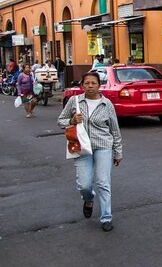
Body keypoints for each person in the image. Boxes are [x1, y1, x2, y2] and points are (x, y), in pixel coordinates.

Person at [58, 71, 122, 232]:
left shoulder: (107, 104)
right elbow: (60, 121)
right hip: (81, 147)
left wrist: (118, 152)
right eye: (87, 83)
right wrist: (71, 120)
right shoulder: (75, 101)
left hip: (103, 146)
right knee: (84, 184)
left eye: (94, 83)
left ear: (99, 86)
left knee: (103, 182)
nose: (90, 86)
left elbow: (115, 130)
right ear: (82, 85)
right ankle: (88, 200)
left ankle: (106, 217)